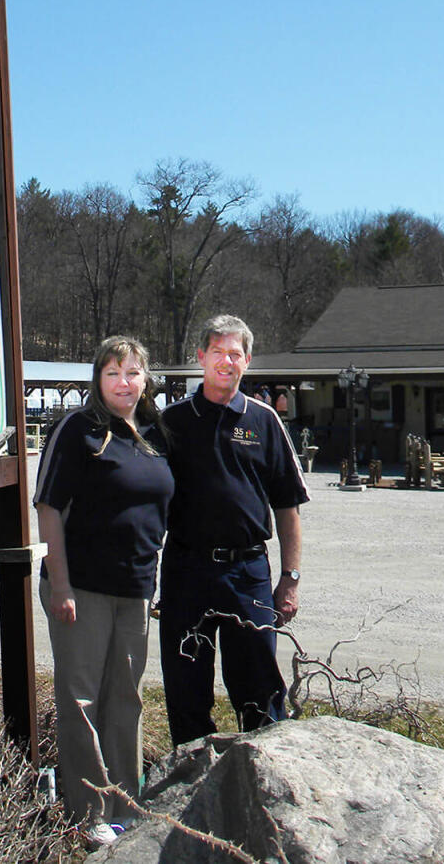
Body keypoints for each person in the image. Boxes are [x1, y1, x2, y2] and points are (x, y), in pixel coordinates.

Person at [33, 335, 173, 846]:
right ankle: (87, 811)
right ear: (98, 379)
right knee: (82, 699)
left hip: (134, 589)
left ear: (145, 379)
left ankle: (126, 806)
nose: (123, 382)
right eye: (113, 373)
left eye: (133, 373)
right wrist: (61, 586)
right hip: (82, 589)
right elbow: (48, 507)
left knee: (126, 698)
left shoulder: (154, 433)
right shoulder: (79, 430)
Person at [159, 314, 309, 746]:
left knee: (259, 690)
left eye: (235, 354)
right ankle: (187, 788)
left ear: (247, 360)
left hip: (248, 574)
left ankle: (260, 786)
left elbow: (288, 508)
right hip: (187, 570)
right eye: (218, 352)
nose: (226, 362)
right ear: (201, 357)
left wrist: (290, 579)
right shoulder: (173, 422)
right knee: (186, 686)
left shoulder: (264, 421)